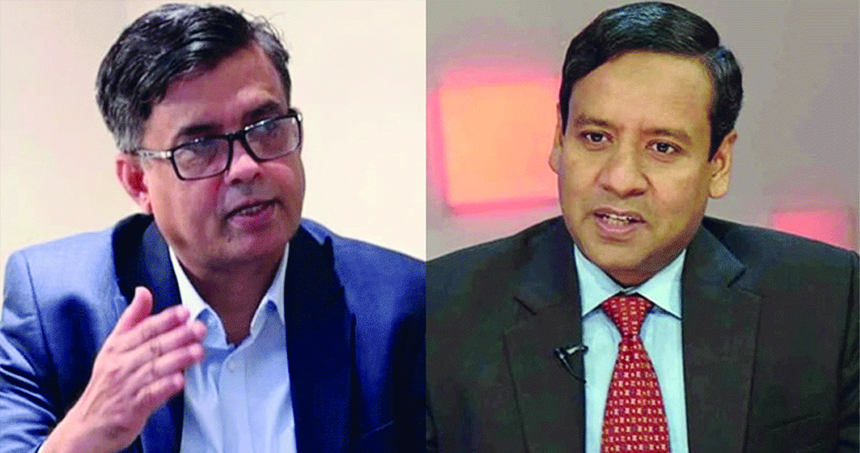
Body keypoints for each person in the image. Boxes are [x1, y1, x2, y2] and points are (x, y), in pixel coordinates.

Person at [425, 2, 858, 452]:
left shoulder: (827, 302)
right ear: (558, 141)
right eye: (595, 138)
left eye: (662, 147)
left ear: (719, 163)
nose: (620, 179)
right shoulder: (441, 314)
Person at [0, 4, 423, 453]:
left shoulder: (401, 308)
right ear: (138, 181)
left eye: (266, 127)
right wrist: (82, 436)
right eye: (201, 145)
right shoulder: (56, 312)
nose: (246, 167)